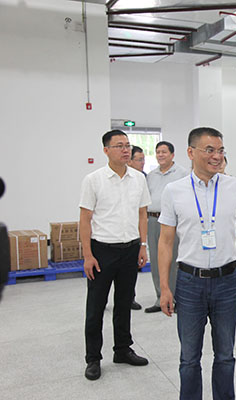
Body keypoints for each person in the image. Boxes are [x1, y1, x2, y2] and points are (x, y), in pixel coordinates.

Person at [157, 127, 236, 399]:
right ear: (191, 152)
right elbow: (165, 242)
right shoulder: (174, 191)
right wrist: (165, 287)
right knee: (189, 358)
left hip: (227, 281)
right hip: (189, 283)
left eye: (220, 150)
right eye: (209, 150)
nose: (217, 156)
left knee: (225, 355)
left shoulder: (235, 186)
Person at [79, 130, 151, 381]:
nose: (125, 150)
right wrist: (88, 255)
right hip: (102, 251)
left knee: (124, 303)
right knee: (96, 307)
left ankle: (122, 350)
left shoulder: (138, 179)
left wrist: (143, 245)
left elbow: (142, 214)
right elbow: (85, 219)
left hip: (130, 249)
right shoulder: (93, 180)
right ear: (106, 150)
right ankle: (93, 358)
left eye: (127, 145)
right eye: (119, 145)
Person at [144, 141, 188, 314]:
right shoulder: (151, 175)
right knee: (156, 259)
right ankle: (160, 297)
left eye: (164, 152)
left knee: (174, 259)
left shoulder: (182, 173)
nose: (160, 155)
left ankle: (176, 297)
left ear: (172, 155)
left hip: (173, 222)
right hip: (153, 220)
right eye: (158, 152)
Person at [126, 145, 146, 311]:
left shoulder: (142, 178)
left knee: (130, 271)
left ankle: (129, 298)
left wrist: (143, 243)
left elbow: (142, 211)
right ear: (130, 161)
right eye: (139, 160)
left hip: (134, 232)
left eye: (143, 159)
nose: (142, 162)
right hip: (113, 236)